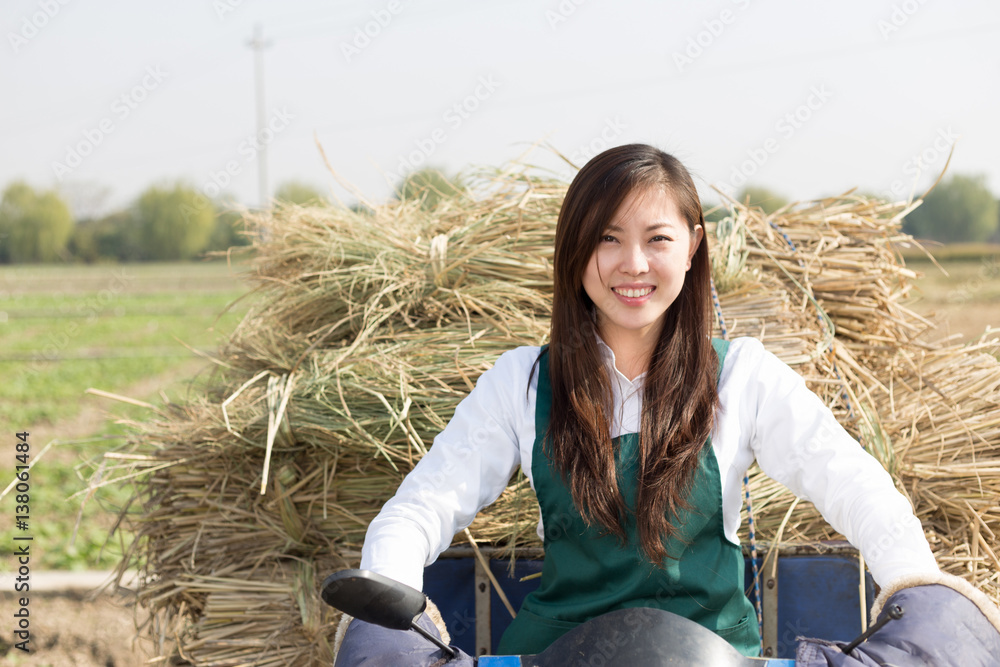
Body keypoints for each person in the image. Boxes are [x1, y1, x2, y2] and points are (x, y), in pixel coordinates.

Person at [343, 143, 943, 662]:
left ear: (692, 247)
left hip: (711, 657)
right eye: (608, 238)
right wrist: (391, 609)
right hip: (555, 657)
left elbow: (855, 487)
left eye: (657, 239)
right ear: (576, 251)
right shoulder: (521, 381)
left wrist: (917, 594)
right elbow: (419, 509)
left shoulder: (744, 376)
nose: (633, 264)